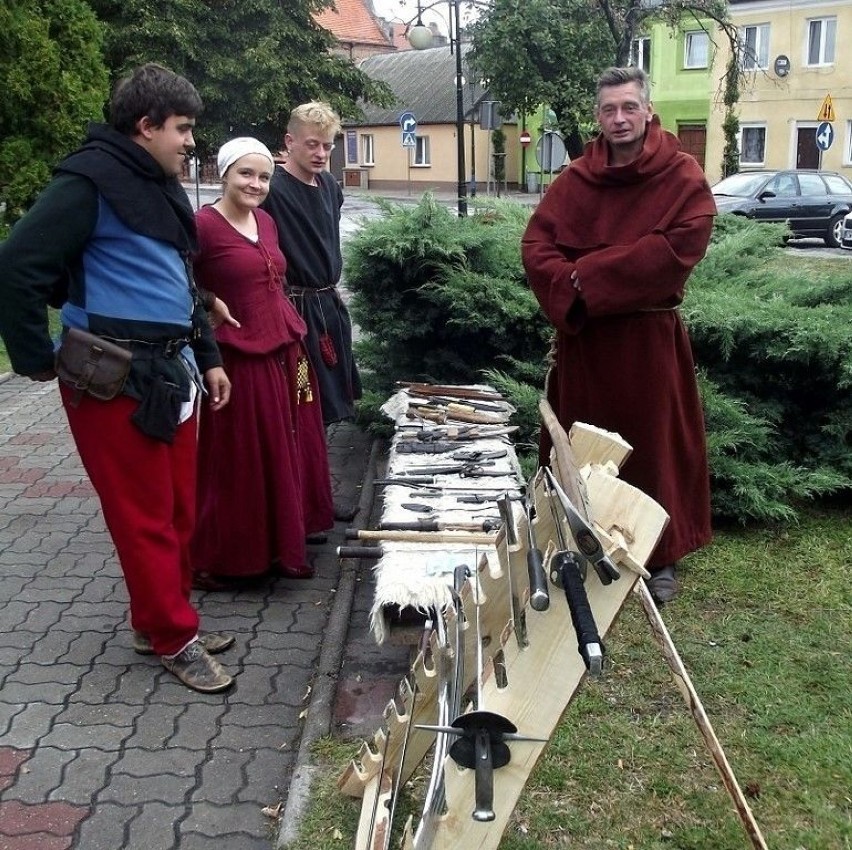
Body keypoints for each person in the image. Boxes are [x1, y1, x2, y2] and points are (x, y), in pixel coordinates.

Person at [0, 63, 236, 693]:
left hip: (172, 370)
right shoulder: (88, 182)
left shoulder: (154, 183)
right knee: (144, 516)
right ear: (145, 125)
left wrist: (209, 357)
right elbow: (18, 264)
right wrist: (32, 358)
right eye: (182, 129)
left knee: (179, 508)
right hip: (112, 378)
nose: (191, 141)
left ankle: (159, 617)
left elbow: (183, 283)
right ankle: (172, 636)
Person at [521, 66, 716, 604]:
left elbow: (676, 249)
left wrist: (587, 274)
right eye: (609, 110)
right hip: (587, 341)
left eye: (629, 107)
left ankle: (660, 553)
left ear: (648, 110)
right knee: (584, 443)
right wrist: (570, 282)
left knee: (654, 445)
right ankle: (581, 537)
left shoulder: (681, 176)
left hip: (649, 340)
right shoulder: (577, 179)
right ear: (598, 116)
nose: (620, 118)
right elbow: (538, 247)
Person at [190, 138, 333, 587]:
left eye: (264, 176)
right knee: (244, 457)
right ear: (223, 174)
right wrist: (210, 299)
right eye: (245, 174)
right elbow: (173, 281)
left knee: (290, 443)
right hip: (240, 356)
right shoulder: (202, 226)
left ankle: (285, 537)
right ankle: (232, 556)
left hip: (288, 347)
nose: (255, 184)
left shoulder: (266, 221)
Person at [260, 102, 361, 429]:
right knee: (303, 396)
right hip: (296, 313)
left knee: (331, 399)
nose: (321, 153)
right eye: (312, 144)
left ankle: (314, 463)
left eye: (327, 145)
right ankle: (302, 467)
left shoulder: (330, 185)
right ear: (290, 142)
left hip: (328, 309)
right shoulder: (271, 190)